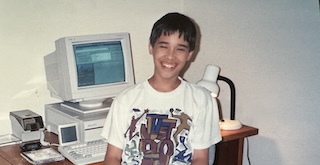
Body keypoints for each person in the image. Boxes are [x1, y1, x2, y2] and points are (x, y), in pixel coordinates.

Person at [101, 12, 221, 165]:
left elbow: (200, 159)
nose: (170, 56)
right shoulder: (125, 100)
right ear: (151, 47)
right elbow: (112, 157)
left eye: (180, 49)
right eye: (164, 46)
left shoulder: (202, 99)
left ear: (190, 54)